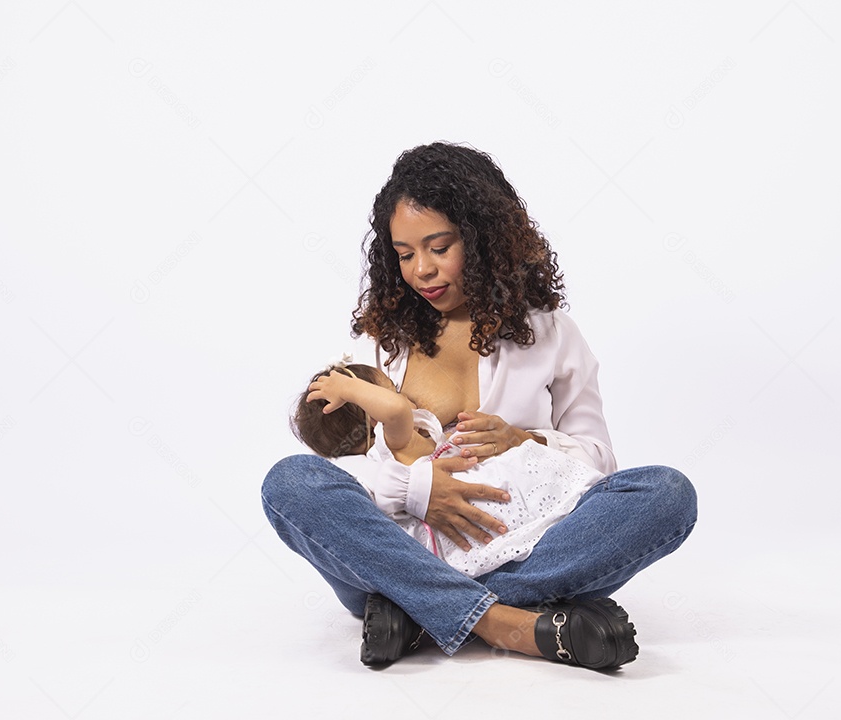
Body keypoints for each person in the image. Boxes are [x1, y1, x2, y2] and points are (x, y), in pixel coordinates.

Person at [261, 142, 697, 670]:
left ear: (484, 239)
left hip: (517, 545)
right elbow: (348, 468)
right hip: (400, 545)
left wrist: (526, 439)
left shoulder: (550, 333)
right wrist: (419, 490)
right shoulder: (380, 344)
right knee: (290, 482)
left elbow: (599, 462)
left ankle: (417, 611)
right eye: (404, 254)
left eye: (440, 247)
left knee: (666, 494)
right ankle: (508, 624)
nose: (421, 269)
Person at [290, 361, 609, 579]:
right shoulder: (392, 443)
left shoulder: (386, 456)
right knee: (544, 488)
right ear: (376, 417)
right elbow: (397, 410)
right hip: (480, 506)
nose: (405, 397)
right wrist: (348, 388)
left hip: (457, 527)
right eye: (392, 389)